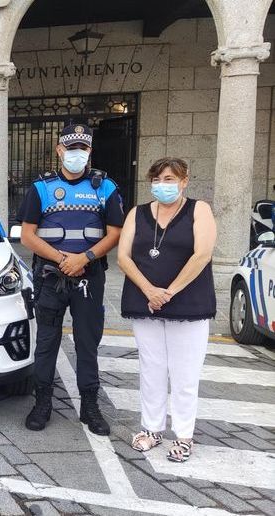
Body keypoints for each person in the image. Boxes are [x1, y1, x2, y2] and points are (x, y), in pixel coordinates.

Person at [18, 123, 124, 435]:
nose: (76, 154)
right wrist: (64, 259)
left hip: (89, 277)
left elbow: (115, 233)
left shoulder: (105, 187)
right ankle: (43, 403)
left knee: (87, 342)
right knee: (47, 341)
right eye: (70, 148)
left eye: (83, 148)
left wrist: (85, 258)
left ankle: (90, 405)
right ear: (59, 150)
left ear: (90, 151)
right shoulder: (42, 188)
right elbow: (27, 235)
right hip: (50, 276)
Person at [118, 157, 216, 462]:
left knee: (185, 374)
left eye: (170, 179)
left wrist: (168, 292)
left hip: (188, 304)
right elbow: (123, 256)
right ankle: (152, 429)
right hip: (144, 302)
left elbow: (202, 254)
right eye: (158, 180)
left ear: (184, 181)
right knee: (152, 369)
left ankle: (184, 435)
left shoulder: (199, 210)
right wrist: (149, 291)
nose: (163, 185)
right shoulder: (138, 213)